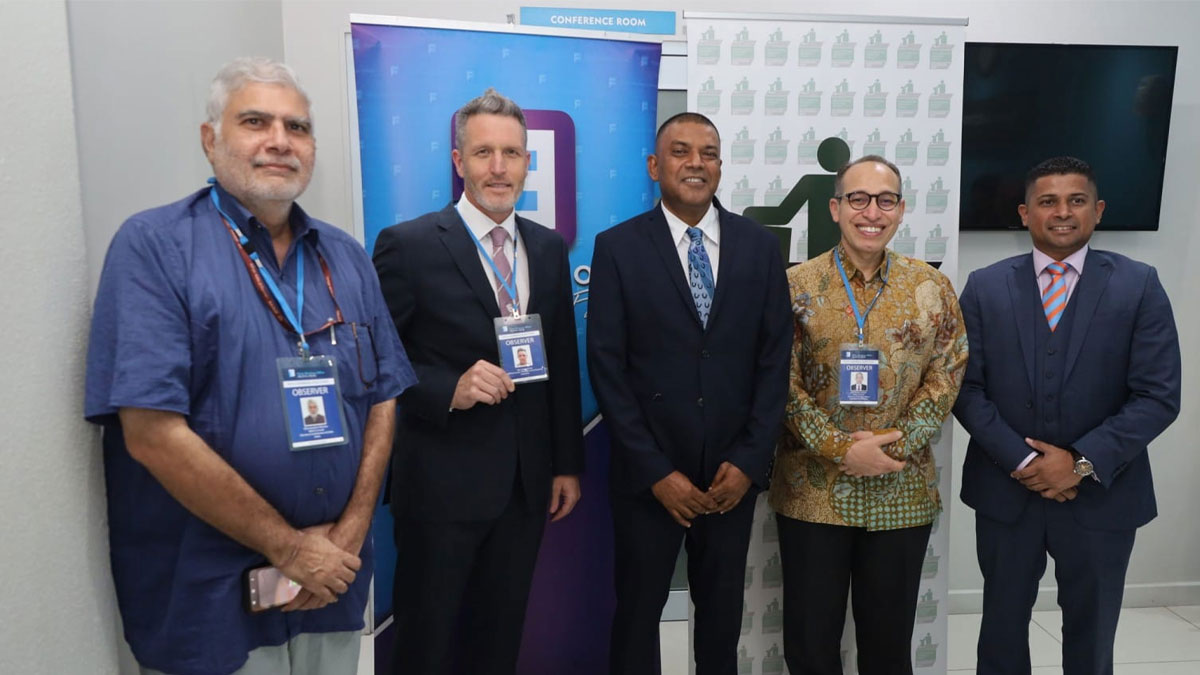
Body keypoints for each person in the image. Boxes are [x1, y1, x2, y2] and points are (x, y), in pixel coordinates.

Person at [84, 57, 415, 675]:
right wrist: (290, 549)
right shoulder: (155, 247)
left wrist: (348, 534)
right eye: (256, 122)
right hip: (211, 597)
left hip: (331, 587)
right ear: (210, 139)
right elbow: (151, 433)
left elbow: (383, 398)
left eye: (298, 127)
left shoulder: (345, 257)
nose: (280, 141)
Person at [372, 88, 584, 674]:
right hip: (440, 487)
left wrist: (566, 463)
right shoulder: (408, 245)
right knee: (425, 646)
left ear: (527, 162)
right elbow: (374, 360)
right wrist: (449, 388)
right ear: (458, 160)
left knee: (499, 643)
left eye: (511, 153)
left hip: (524, 487)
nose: (498, 167)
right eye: (484, 152)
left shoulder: (547, 247)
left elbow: (562, 362)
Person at [953, 156, 1181, 675]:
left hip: (1103, 496)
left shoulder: (1139, 284)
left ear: (1097, 211)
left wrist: (1078, 463)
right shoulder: (985, 287)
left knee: (1092, 634)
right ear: (1024, 213)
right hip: (1007, 493)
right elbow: (965, 388)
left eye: (1076, 201)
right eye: (1048, 201)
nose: (1062, 212)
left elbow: (1158, 395)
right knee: (1001, 631)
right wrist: (1024, 462)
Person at [587, 112, 791, 674]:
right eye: (680, 151)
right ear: (655, 166)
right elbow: (607, 368)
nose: (695, 163)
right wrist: (657, 472)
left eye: (708, 153)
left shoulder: (760, 247)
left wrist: (748, 463)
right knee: (637, 617)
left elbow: (775, 362)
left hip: (731, 478)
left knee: (721, 621)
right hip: (650, 478)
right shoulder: (618, 248)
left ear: (721, 166)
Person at [768, 155, 967, 675]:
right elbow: (779, 382)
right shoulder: (794, 286)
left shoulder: (932, 287)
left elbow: (947, 374)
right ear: (835, 208)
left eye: (885, 200)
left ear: (901, 210)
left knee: (888, 647)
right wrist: (842, 449)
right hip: (812, 493)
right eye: (858, 199)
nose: (871, 212)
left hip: (900, 491)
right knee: (810, 646)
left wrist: (890, 447)